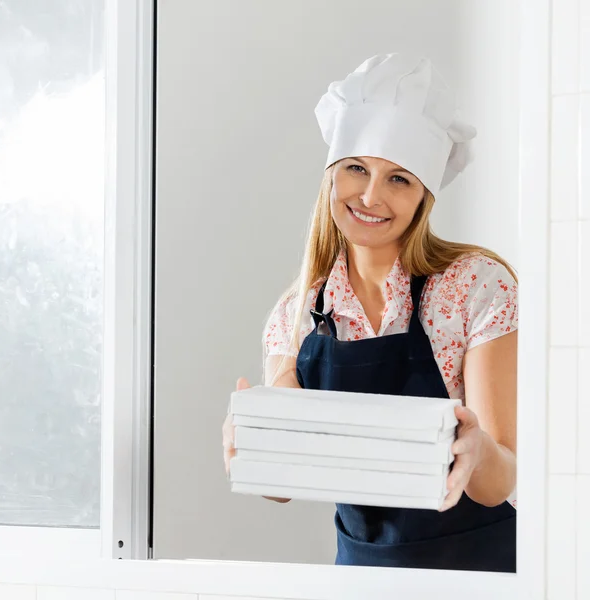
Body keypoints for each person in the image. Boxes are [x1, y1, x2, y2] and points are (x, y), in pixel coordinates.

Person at [222, 53, 517, 573]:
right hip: (363, 573)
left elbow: (500, 482)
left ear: (424, 195)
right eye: (357, 168)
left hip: (479, 569)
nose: (371, 196)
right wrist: (252, 445)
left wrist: (475, 452)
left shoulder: (476, 285)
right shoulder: (296, 315)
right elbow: (285, 483)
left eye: (399, 179)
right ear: (332, 175)